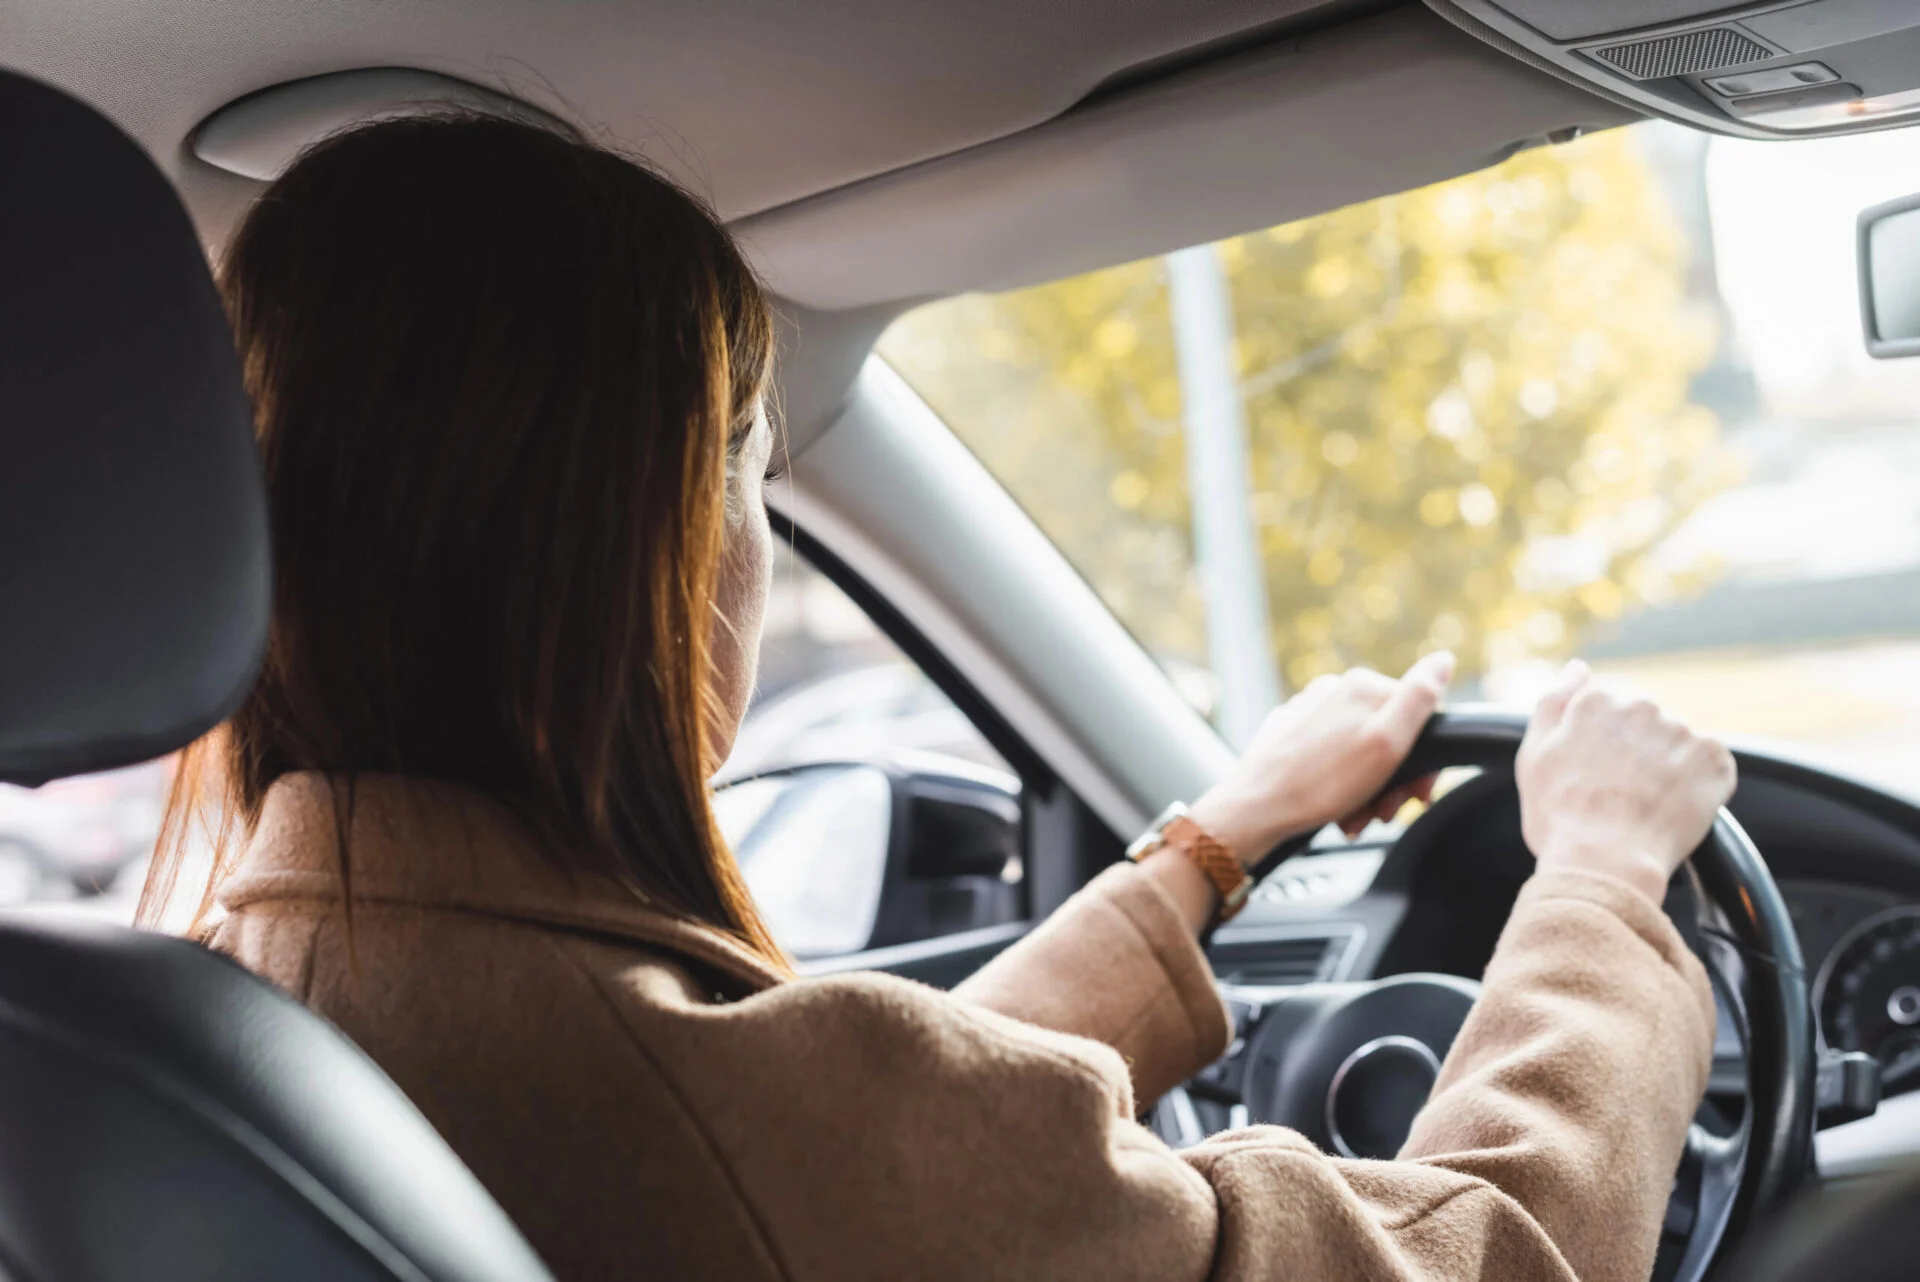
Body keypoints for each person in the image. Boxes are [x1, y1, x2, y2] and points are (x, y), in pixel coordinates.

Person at [154, 112, 1732, 1282]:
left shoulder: (218, 1002)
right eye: (751, 468)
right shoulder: (743, 1124)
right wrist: (1600, 872)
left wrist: (1208, 849)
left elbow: (849, 1134)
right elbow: (1508, 1256)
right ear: (644, 536)